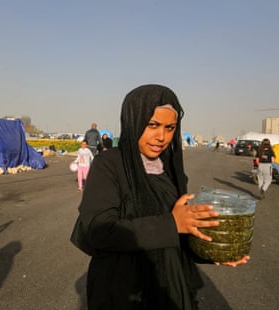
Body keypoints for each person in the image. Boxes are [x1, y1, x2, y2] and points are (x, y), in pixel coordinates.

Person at [75, 84, 249, 309]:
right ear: (133, 121)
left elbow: (175, 236)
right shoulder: (109, 165)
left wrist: (212, 250)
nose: (162, 137)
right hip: (122, 291)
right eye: (153, 125)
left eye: (170, 128)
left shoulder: (170, 168)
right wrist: (172, 223)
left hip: (169, 288)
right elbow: (99, 231)